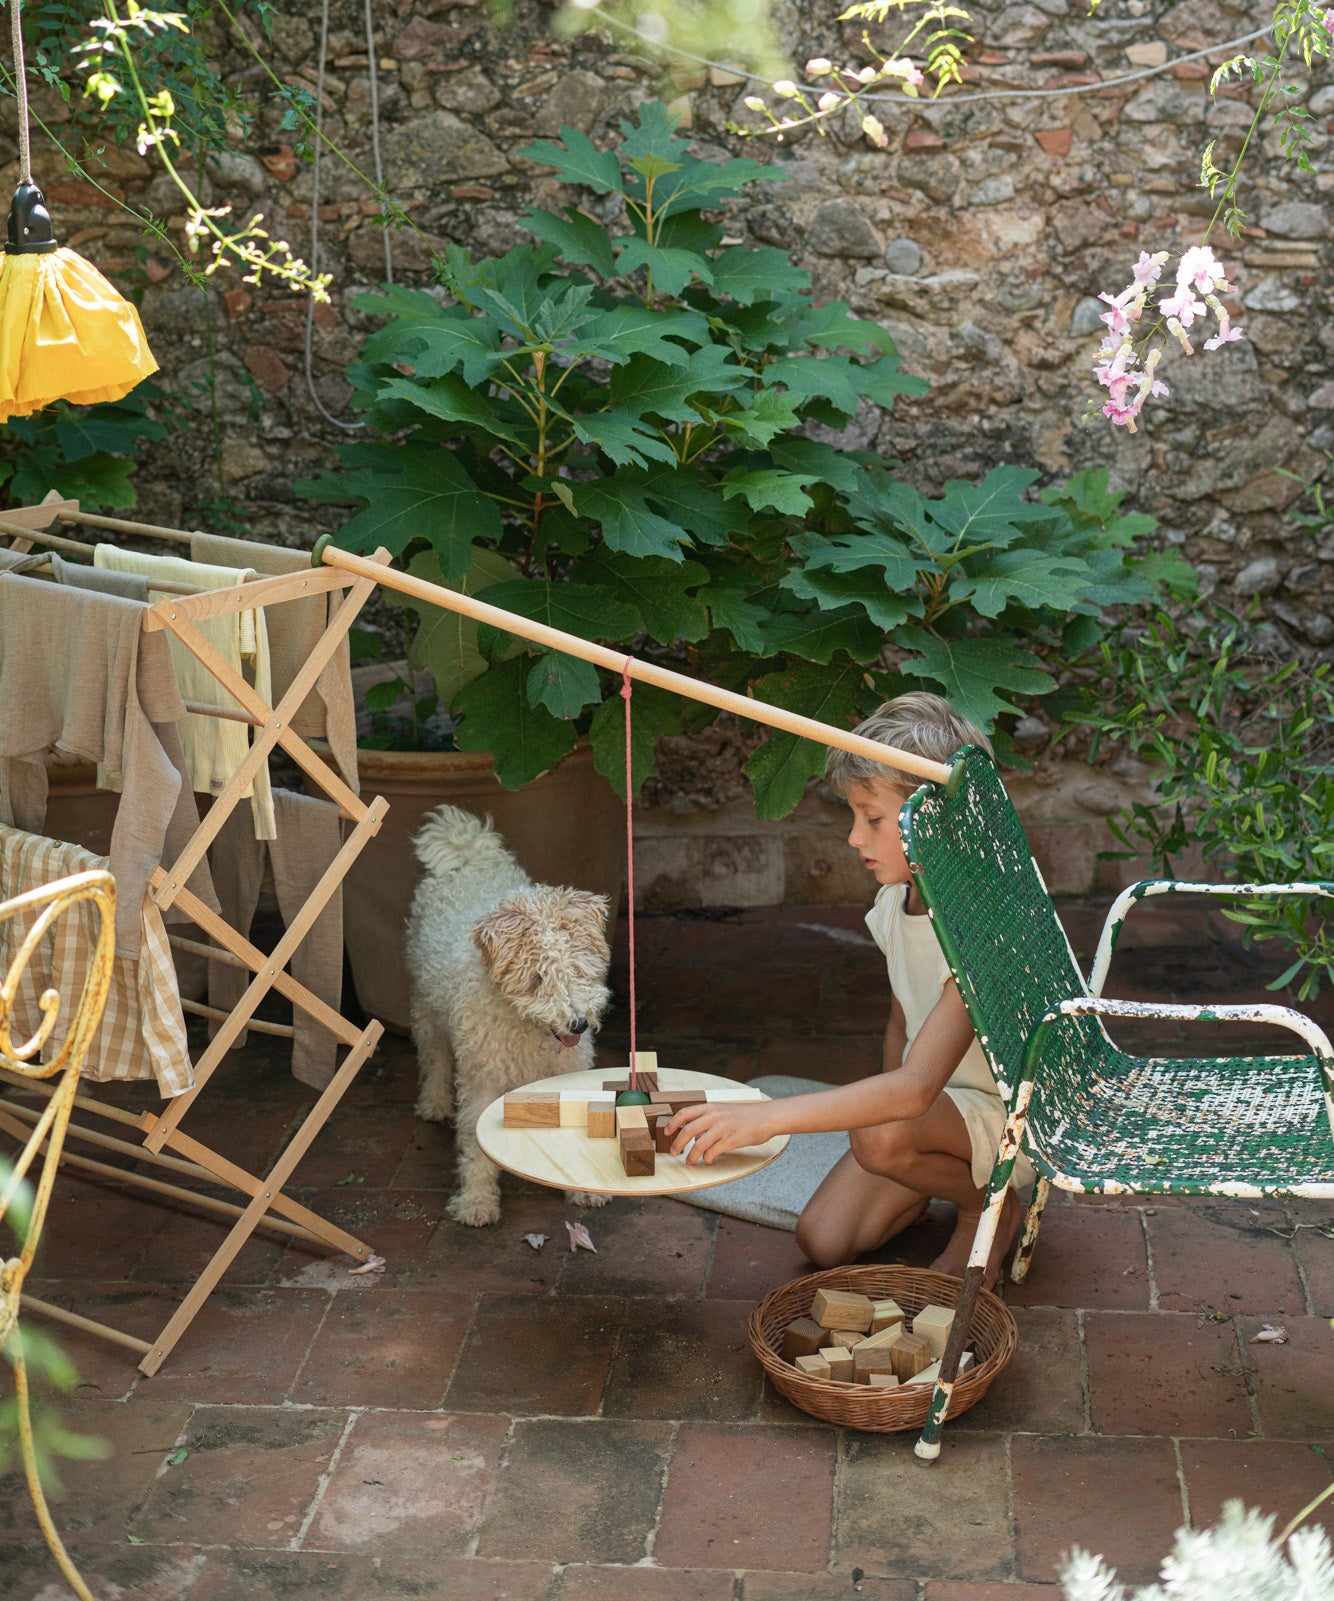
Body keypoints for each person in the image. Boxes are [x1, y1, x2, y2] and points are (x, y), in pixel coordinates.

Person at [665, 691, 1033, 1288]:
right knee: (825, 1239)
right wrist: (895, 1149)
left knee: (882, 1131)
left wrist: (768, 1120)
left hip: (1003, 1122)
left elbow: (912, 1093)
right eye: (853, 816)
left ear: (936, 821)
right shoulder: (897, 902)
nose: (854, 838)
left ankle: (987, 1204)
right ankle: (925, 1168)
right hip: (942, 1116)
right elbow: (900, 1025)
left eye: (873, 818)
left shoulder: (979, 925)